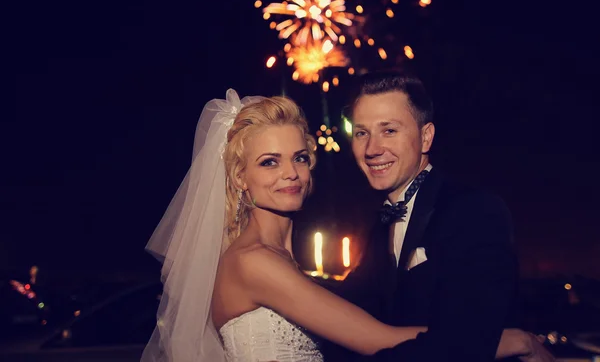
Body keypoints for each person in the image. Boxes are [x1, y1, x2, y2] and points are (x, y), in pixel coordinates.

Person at [141, 89, 553, 362]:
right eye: (269, 161)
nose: (291, 173)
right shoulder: (254, 263)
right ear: (239, 177)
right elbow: (378, 340)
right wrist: (513, 340)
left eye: (299, 157)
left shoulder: (280, 260)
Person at [322, 70, 553, 362]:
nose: (372, 149)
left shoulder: (474, 213)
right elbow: (346, 312)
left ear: (426, 137)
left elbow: (462, 346)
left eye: (389, 130)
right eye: (361, 133)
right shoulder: (380, 227)